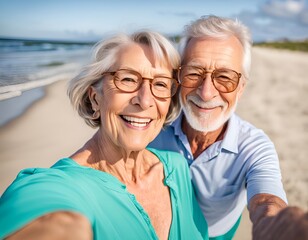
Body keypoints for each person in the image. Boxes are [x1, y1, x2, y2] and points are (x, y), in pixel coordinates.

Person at [0, 30, 208, 240]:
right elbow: (50, 217)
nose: (145, 100)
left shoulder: (177, 169)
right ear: (94, 99)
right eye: (127, 79)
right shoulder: (63, 185)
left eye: (161, 84)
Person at [149, 15, 308, 240]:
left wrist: (282, 224)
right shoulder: (152, 129)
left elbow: (266, 203)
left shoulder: (253, 146)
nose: (206, 93)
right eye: (194, 73)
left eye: (224, 77)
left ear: (241, 88)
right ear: (179, 77)